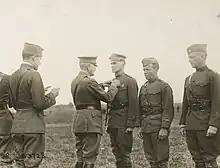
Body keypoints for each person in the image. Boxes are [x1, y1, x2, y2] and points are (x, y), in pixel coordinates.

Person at [9, 42, 60, 168]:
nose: (40, 62)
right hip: (33, 127)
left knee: (19, 163)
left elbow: (12, 103)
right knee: (32, 163)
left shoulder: (13, 75)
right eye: (39, 58)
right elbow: (39, 104)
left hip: (17, 125)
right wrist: (52, 95)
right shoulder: (34, 74)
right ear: (33, 58)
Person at [71, 56, 120, 168]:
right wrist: (113, 86)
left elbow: (85, 93)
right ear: (89, 66)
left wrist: (101, 85)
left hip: (79, 121)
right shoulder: (90, 82)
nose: (95, 69)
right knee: (90, 156)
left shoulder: (75, 81)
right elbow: (108, 97)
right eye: (94, 66)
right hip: (91, 122)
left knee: (80, 156)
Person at [179, 44, 220, 168]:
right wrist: (182, 123)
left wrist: (213, 124)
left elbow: (217, 102)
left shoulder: (213, 76)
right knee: (197, 158)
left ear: (203, 56)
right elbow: (185, 103)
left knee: (209, 158)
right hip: (191, 124)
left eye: (192, 57)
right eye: (189, 57)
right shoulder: (188, 79)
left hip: (205, 123)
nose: (189, 60)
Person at [138, 57, 174, 168]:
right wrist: (141, 126)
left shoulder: (164, 87)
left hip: (158, 126)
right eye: (144, 70)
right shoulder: (143, 88)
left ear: (156, 69)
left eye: (148, 70)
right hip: (146, 126)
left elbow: (168, 109)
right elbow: (140, 109)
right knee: (150, 158)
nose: (145, 73)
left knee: (161, 158)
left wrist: (164, 127)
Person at [105, 53, 139, 168]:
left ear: (123, 63)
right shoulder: (112, 82)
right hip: (113, 121)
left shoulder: (130, 81)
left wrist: (130, 124)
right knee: (116, 152)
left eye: (115, 63)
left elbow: (134, 104)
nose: (112, 66)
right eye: (111, 63)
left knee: (124, 153)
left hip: (123, 122)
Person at [0, 72, 14, 164]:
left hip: (3, 116)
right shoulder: (7, 78)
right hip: (3, 116)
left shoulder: (7, 78)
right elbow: (12, 101)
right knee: (5, 158)